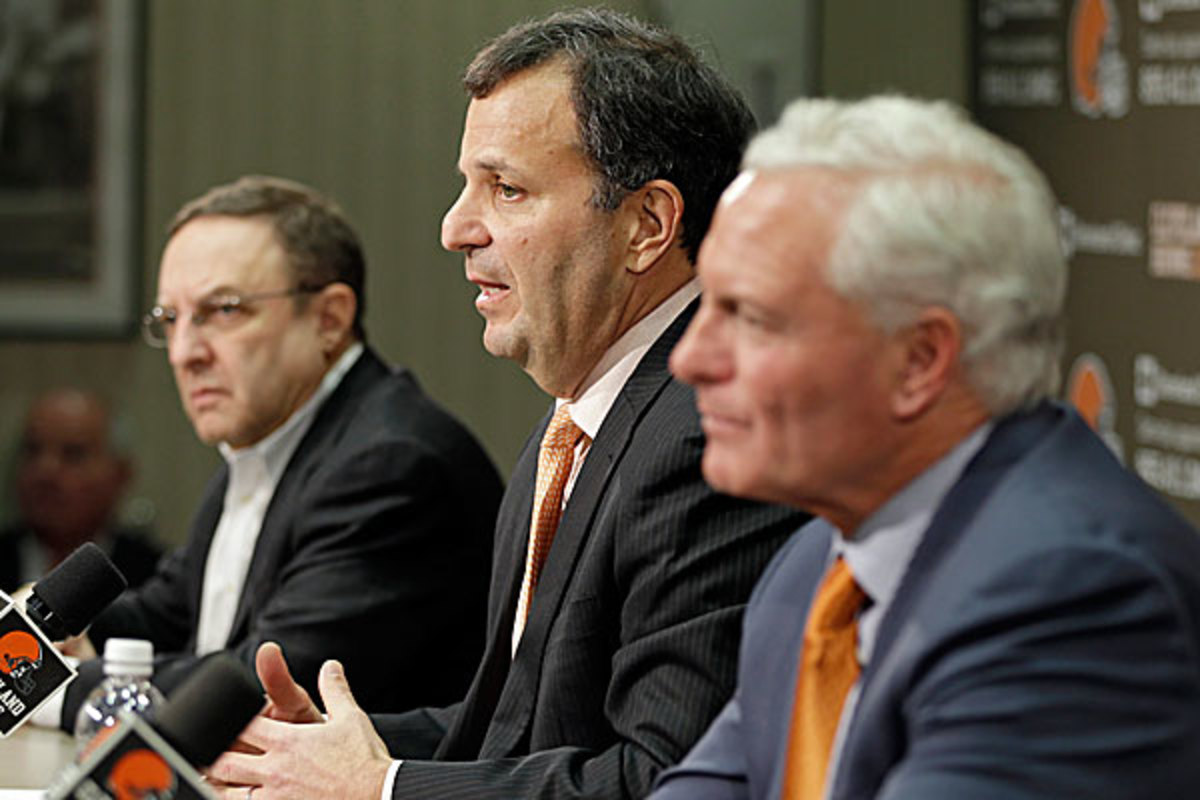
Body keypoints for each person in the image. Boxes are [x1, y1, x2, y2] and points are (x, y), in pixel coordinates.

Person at [209, 9, 806, 800]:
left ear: (647, 225)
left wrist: (385, 788)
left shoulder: (708, 434)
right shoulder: (578, 424)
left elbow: (665, 777)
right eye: (469, 187)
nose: (455, 227)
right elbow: (514, 729)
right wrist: (326, 751)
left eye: (507, 189)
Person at [650, 95, 1200, 799]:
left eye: (749, 318)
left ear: (919, 361)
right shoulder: (817, 564)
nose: (690, 359)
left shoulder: (1069, 593)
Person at [52, 175, 503, 730]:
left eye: (223, 310)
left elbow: (263, 683)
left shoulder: (392, 464)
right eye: (171, 320)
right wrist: (43, 630)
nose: (185, 352)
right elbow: (164, 616)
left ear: (329, 318)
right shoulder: (266, 444)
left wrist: (42, 685)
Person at [0, 387, 162, 593]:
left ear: (120, 474)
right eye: (33, 450)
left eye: (73, 454)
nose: (45, 471)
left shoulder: (155, 580)